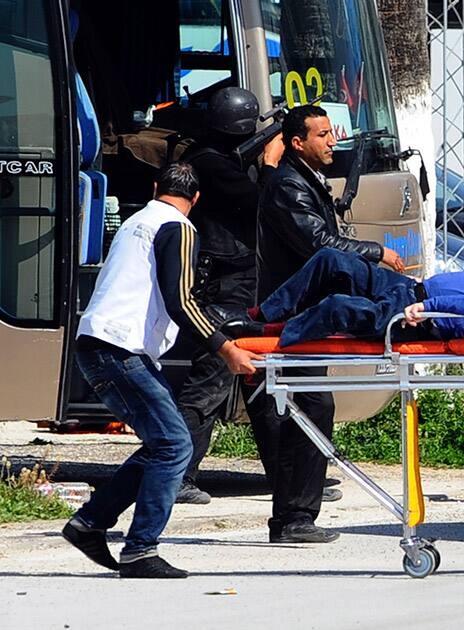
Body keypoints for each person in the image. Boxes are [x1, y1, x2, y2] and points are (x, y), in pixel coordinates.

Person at [63, 163, 261, 579]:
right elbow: (181, 302)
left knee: (162, 445)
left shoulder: (137, 221)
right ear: (197, 199)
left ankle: (90, 523)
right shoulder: (179, 227)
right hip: (119, 349)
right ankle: (140, 550)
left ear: (156, 188)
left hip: (100, 343)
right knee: (175, 445)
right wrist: (226, 349)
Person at [246, 105, 405, 544]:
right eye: (322, 135)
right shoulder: (288, 186)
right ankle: (295, 518)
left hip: (306, 314)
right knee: (309, 409)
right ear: (298, 142)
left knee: (303, 410)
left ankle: (291, 517)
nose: (332, 141)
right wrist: (374, 252)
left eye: (331, 133)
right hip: (294, 315)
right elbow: (319, 245)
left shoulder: (305, 179)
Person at [171, 87, 284, 505]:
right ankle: (178, 475)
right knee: (211, 382)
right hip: (224, 286)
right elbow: (261, 203)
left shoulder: (213, 158)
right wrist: (270, 165)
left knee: (263, 383)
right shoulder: (209, 164)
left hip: (243, 284)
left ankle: (286, 476)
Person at [233, 247, 464, 347]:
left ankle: (270, 336)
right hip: (413, 292)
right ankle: (263, 312)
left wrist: (429, 306)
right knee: (334, 262)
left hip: (418, 318)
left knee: (337, 308)